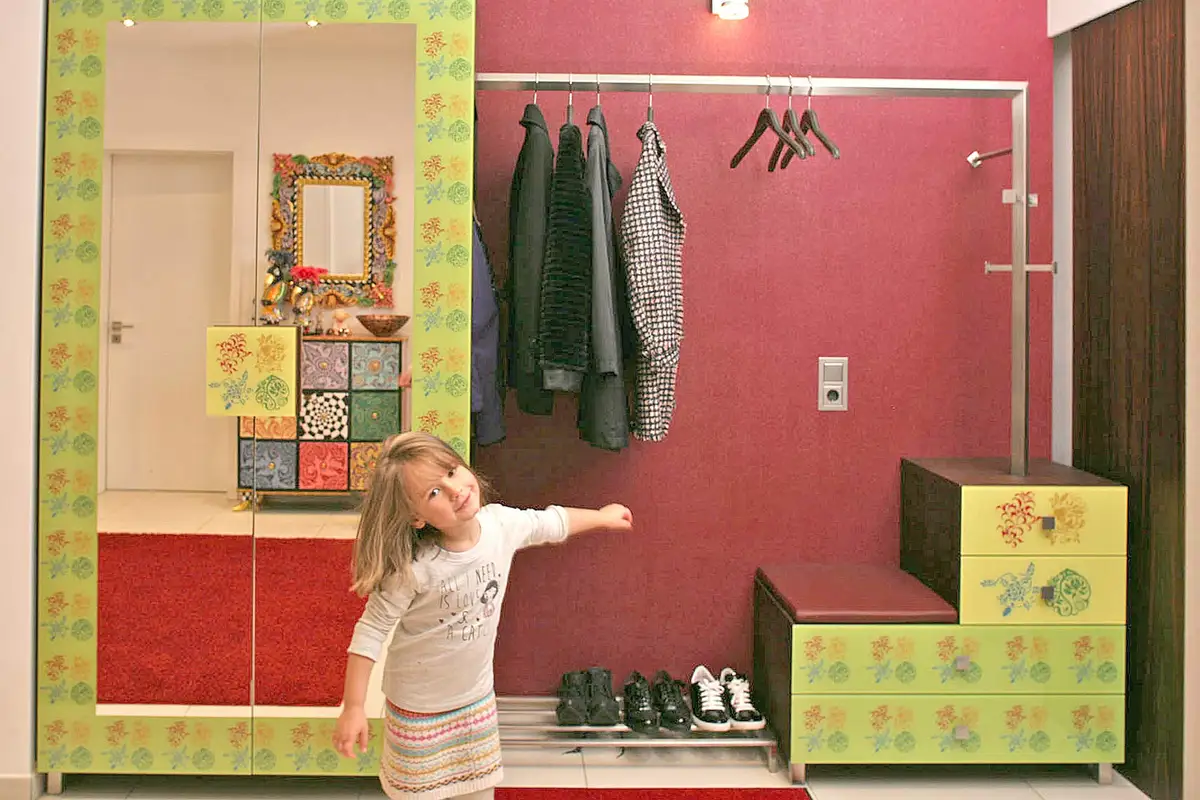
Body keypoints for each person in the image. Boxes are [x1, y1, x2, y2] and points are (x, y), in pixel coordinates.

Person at [332, 431, 633, 800]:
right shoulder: (414, 569)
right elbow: (370, 632)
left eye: (451, 472)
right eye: (434, 492)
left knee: (478, 790)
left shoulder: (499, 525)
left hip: (474, 701)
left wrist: (601, 517)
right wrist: (354, 707)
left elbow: (550, 523)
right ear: (415, 517)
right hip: (418, 709)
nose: (455, 489)